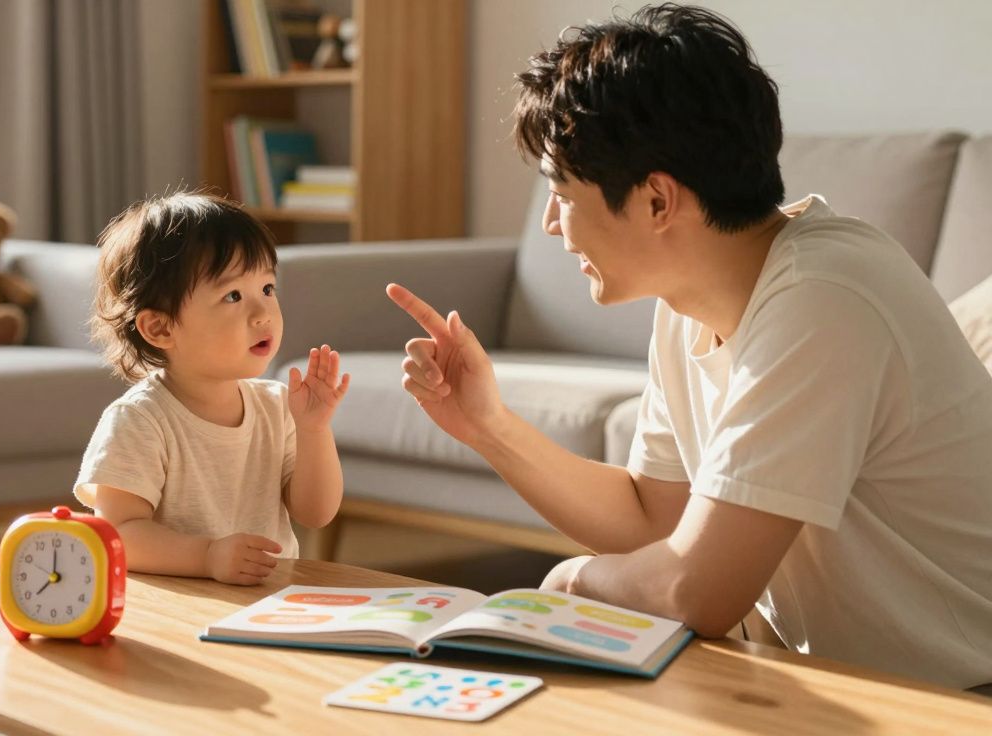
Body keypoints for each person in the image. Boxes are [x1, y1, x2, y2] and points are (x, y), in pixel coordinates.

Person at [389, 4, 992, 691]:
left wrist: (569, 581)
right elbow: (656, 520)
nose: (553, 224)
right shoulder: (689, 301)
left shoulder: (826, 297)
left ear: (656, 202)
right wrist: (488, 427)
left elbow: (698, 590)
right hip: (843, 684)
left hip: (960, 698)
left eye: (560, 192)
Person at [76, 192, 349, 585]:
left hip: (266, 602)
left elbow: (316, 514)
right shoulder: (140, 419)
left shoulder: (276, 406)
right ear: (161, 328)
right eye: (233, 296)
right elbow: (119, 533)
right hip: (177, 604)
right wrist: (207, 557)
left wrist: (314, 430)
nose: (263, 314)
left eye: (268, 289)